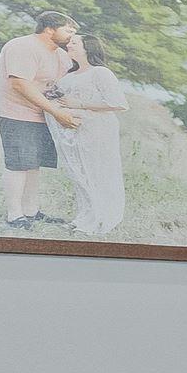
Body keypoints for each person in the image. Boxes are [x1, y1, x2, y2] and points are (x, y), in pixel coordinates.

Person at [0, 11, 78, 229]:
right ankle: (14, 215)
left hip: (41, 114)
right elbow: (20, 84)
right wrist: (57, 112)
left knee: (34, 164)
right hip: (16, 112)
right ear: (49, 29)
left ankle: (31, 211)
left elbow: (63, 83)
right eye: (68, 30)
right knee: (19, 164)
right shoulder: (23, 47)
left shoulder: (59, 54)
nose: (72, 36)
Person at [46, 34, 131, 237]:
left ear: (88, 48)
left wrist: (80, 105)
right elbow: (59, 98)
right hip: (73, 131)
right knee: (79, 172)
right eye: (69, 43)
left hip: (98, 130)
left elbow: (118, 104)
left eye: (74, 43)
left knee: (98, 172)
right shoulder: (68, 75)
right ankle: (85, 216)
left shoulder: (100, 73)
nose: (69, 45)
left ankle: (101, 217)